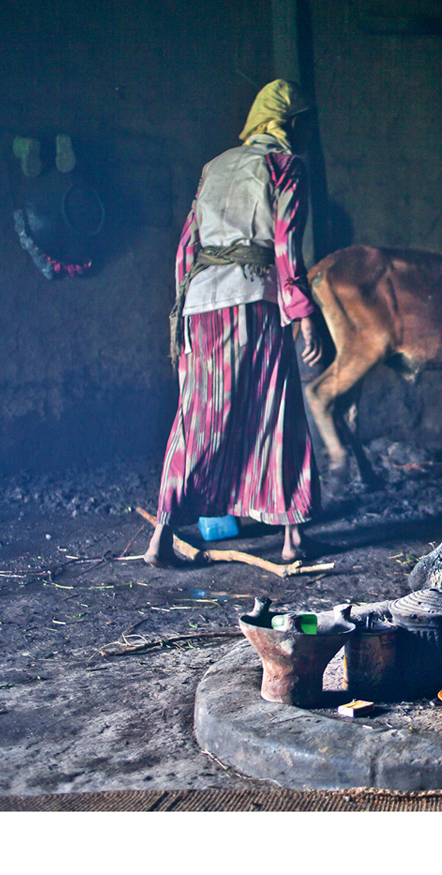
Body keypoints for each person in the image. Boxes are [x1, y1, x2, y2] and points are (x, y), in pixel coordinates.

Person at [145, 79, 324, 566]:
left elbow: (187, 247)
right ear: (288, 124)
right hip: (253, 300)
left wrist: (179, 320)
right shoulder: (284, 165)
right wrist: (303, 313)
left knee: (197, 416)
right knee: (276, 408)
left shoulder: (215, 166)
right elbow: (286, 244)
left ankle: (160, 536)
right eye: (303, 122)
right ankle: (291, 537)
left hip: (200, 303)